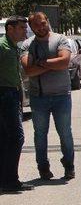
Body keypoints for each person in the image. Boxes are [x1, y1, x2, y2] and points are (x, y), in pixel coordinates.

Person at [20, 12, 74, 180]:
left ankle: (69, 165)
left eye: (43, 23)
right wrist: (53, 64)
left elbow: (64, 61)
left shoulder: (60, 39)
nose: (41, 27)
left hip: (61, 96)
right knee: (40, 134)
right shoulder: (27, 45)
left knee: (65, 133)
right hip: (39, 98)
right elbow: (28, 70)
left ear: (47, 21)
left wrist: (41, 63)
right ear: (31, 27)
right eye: (36, 25)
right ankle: (43, 168)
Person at [0, 16, 33, 192]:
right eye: (22, 28)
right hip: (4, 95)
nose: (25, 31)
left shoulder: (14, 47)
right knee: (16, 137)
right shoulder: (2, 46)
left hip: (12, 93)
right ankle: (10, 180)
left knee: (6, 138)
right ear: (10, 29)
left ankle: (7, 180)